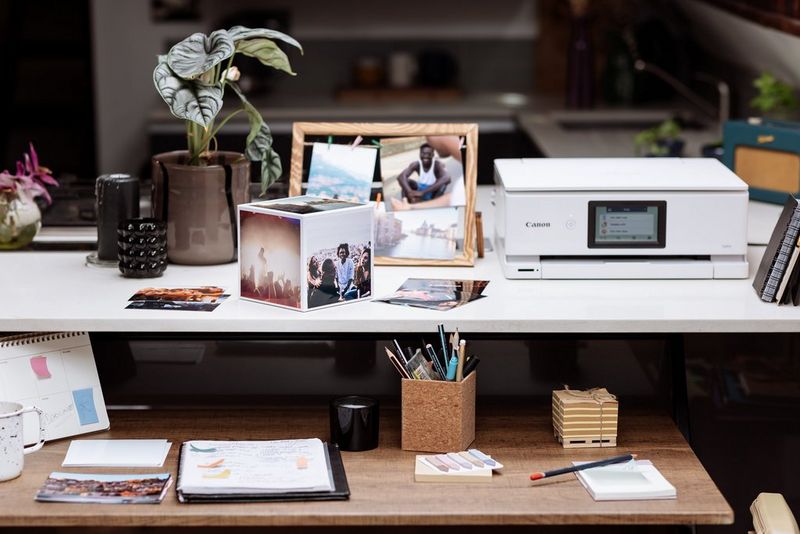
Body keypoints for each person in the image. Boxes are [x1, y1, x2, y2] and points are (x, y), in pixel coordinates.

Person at [391, 136, 466, 210]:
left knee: (443, 184)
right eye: (423, 153)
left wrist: (423, 192)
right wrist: (409, 191)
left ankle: (432, 204)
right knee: (406, 181)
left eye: (428, 154)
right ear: (420, 154)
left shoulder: (437, 164)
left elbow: (447, 178)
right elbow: (401, 176)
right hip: (420, 187)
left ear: (433, 155)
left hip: (432, 190)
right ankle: (407, 203)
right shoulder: (416, 164)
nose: (425, 156)